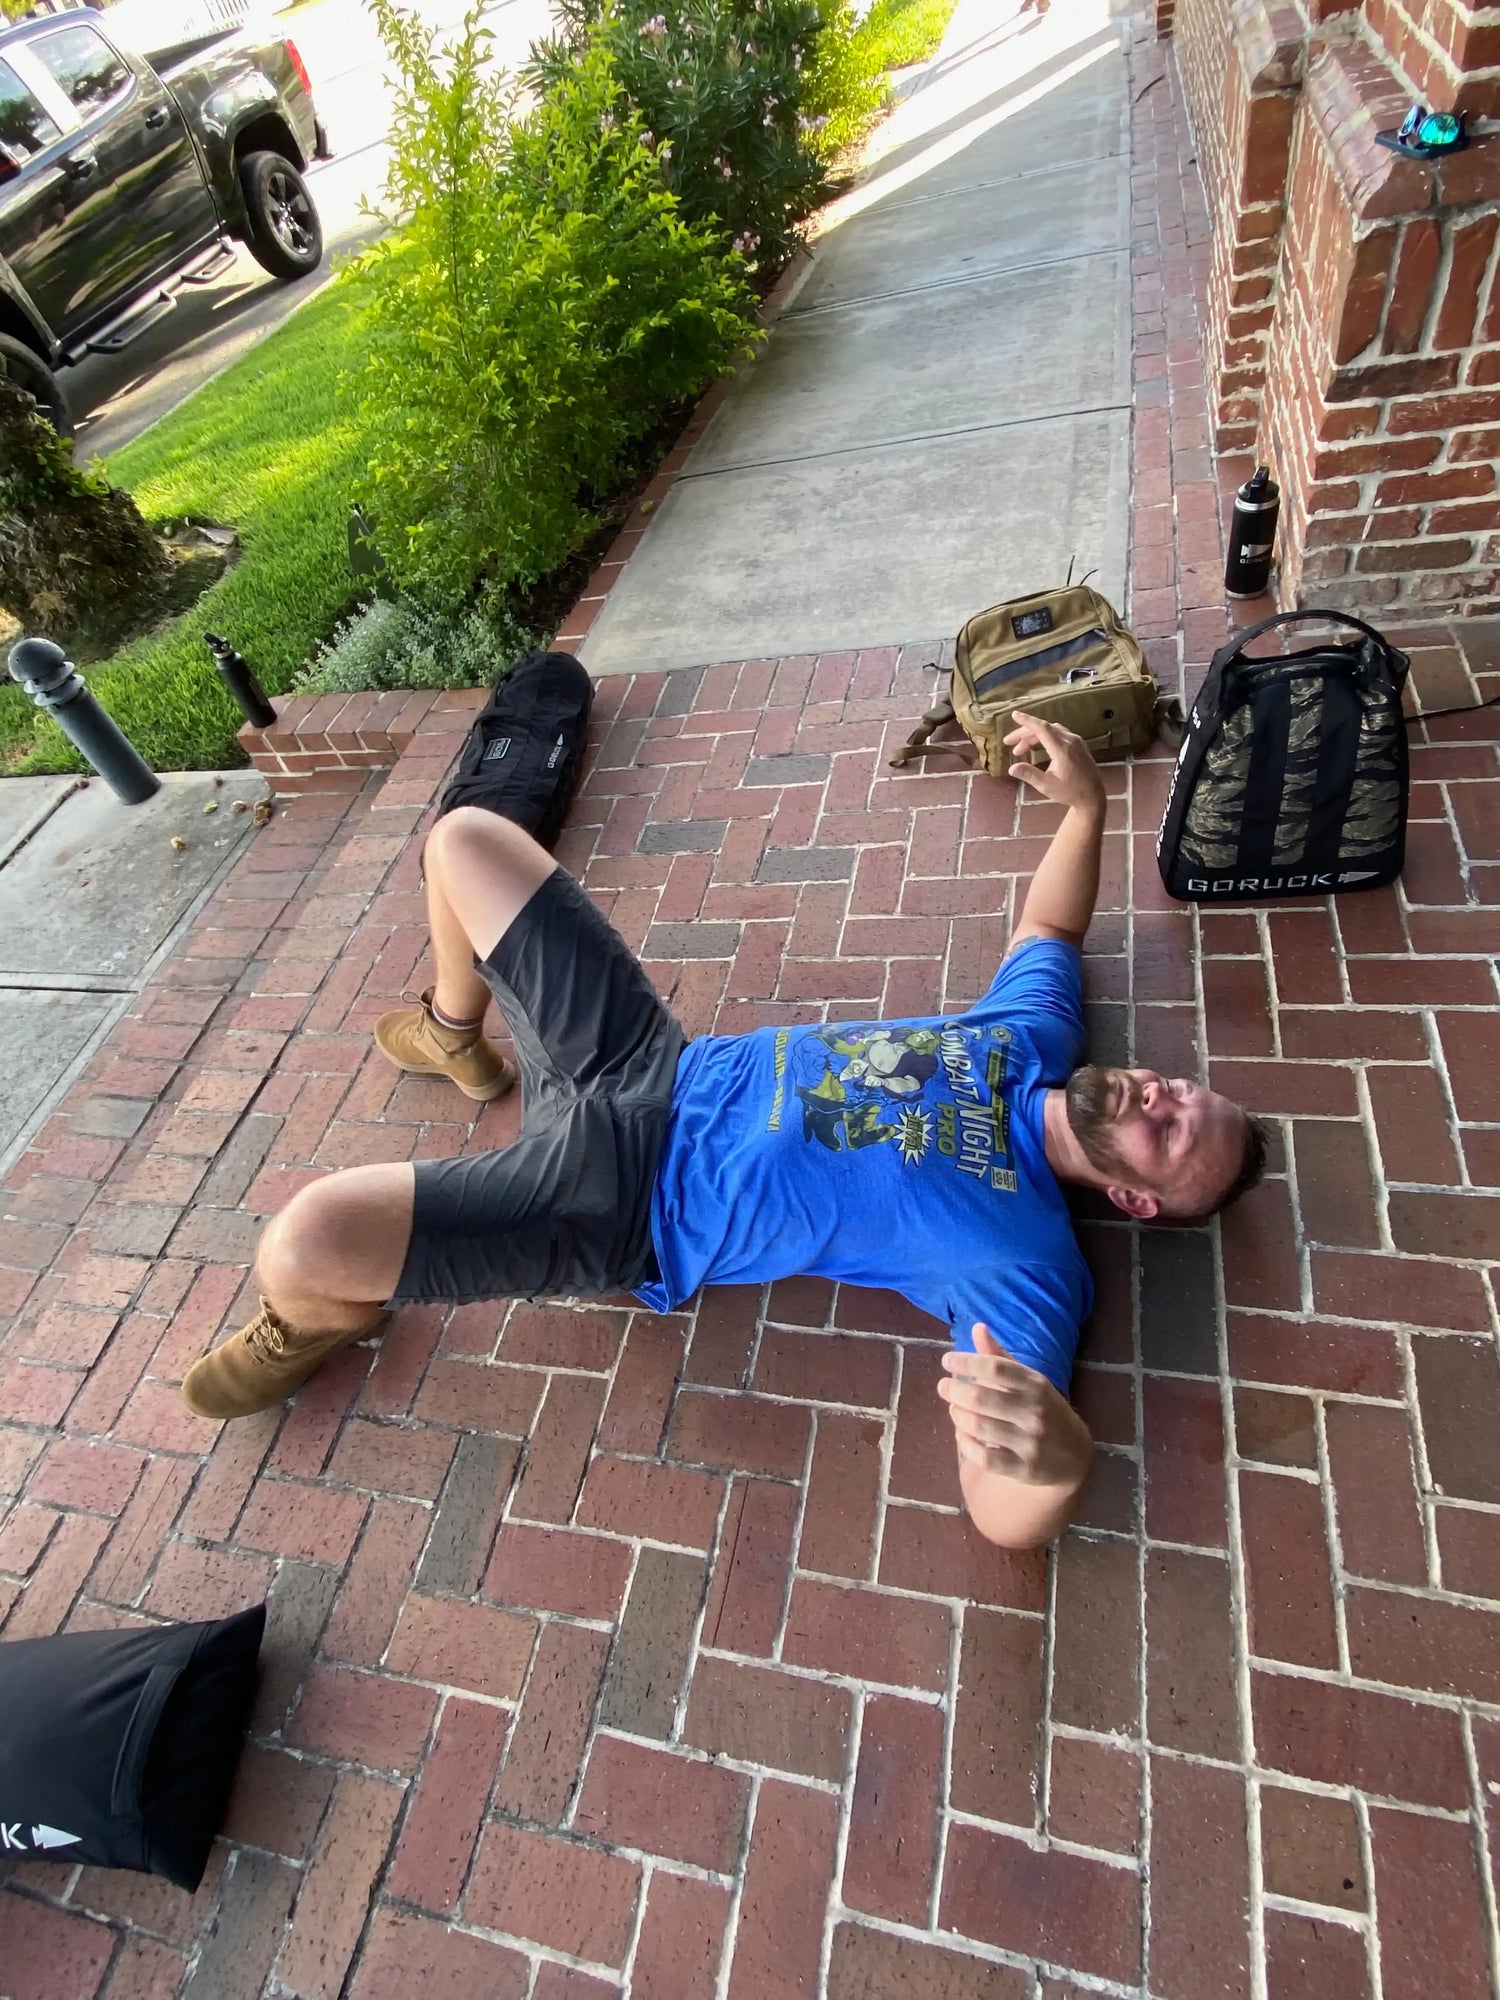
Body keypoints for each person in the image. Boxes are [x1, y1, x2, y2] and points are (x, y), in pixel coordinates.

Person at [181, 713, 1266, 1548]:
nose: (1162, 1096)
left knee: (304, 1242)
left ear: (1132, 1199)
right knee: (465, 838)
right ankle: (453, 1027)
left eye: (1175, 1136)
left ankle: (320, 1317)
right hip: (650, 1061)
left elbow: (999, 1503)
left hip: (627, 1202)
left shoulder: (1025, 1255)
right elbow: (1050, 925)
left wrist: (1057, 1464)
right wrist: (1085, 810)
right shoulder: (1033, 1034)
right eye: (1182, 1087)